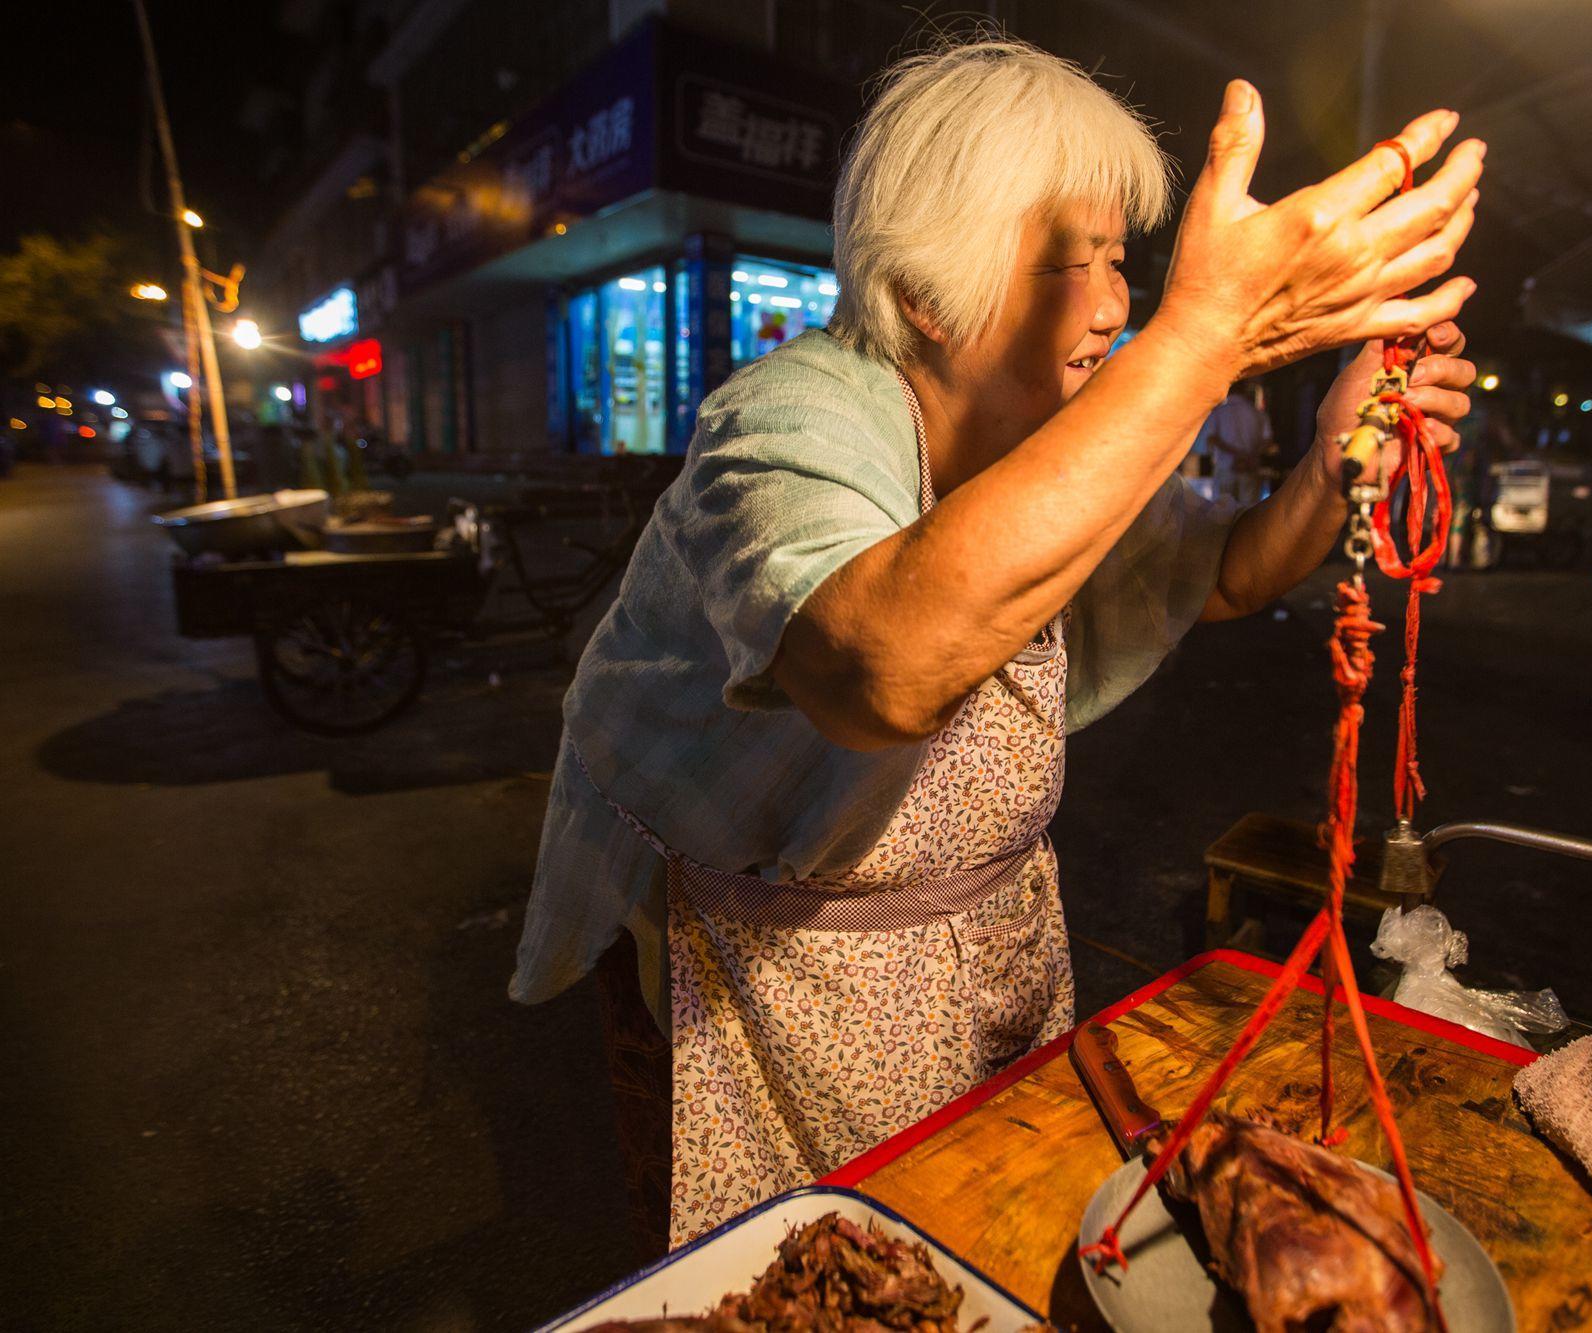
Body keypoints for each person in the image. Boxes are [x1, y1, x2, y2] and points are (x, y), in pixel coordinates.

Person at [509, 37, 1481, 1251]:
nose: (1120, 307)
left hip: (999, 928)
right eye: (1078, 266)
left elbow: (1223, 571)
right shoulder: (785, 417)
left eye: (1124, 264)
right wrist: (1208, 340)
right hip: (786, 988)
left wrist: (1342, 454)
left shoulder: (1044, 430)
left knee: (993, 1242)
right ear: (929, 291)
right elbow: (883, 665)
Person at [1201, 378, 1275, 507]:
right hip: (1250, 468)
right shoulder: (1258, 413)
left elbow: (1212, 439)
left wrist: (1235, 454)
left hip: (1225, 469)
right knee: (1248, 514)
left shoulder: (1218, 412)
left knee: (1221, 515)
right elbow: (1268, 441)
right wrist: (1248, 456)